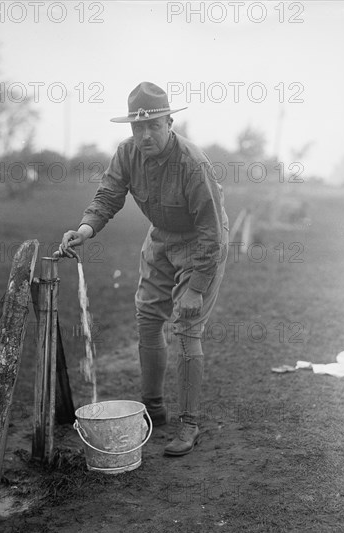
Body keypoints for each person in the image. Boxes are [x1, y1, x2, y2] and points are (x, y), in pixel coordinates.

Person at [60, 82, 229, 456]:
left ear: (170, 122)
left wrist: (196, 287)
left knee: (186, 325)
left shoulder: (192, 163)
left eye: (154, 125)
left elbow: (211, 231)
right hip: (160, 238)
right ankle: (152, 408)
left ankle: (189, 423)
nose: (146, 134)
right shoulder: (127, 153)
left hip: (202, 242)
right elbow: (108, 195)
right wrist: (84, 230)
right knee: (148, 318)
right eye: (138, 128)